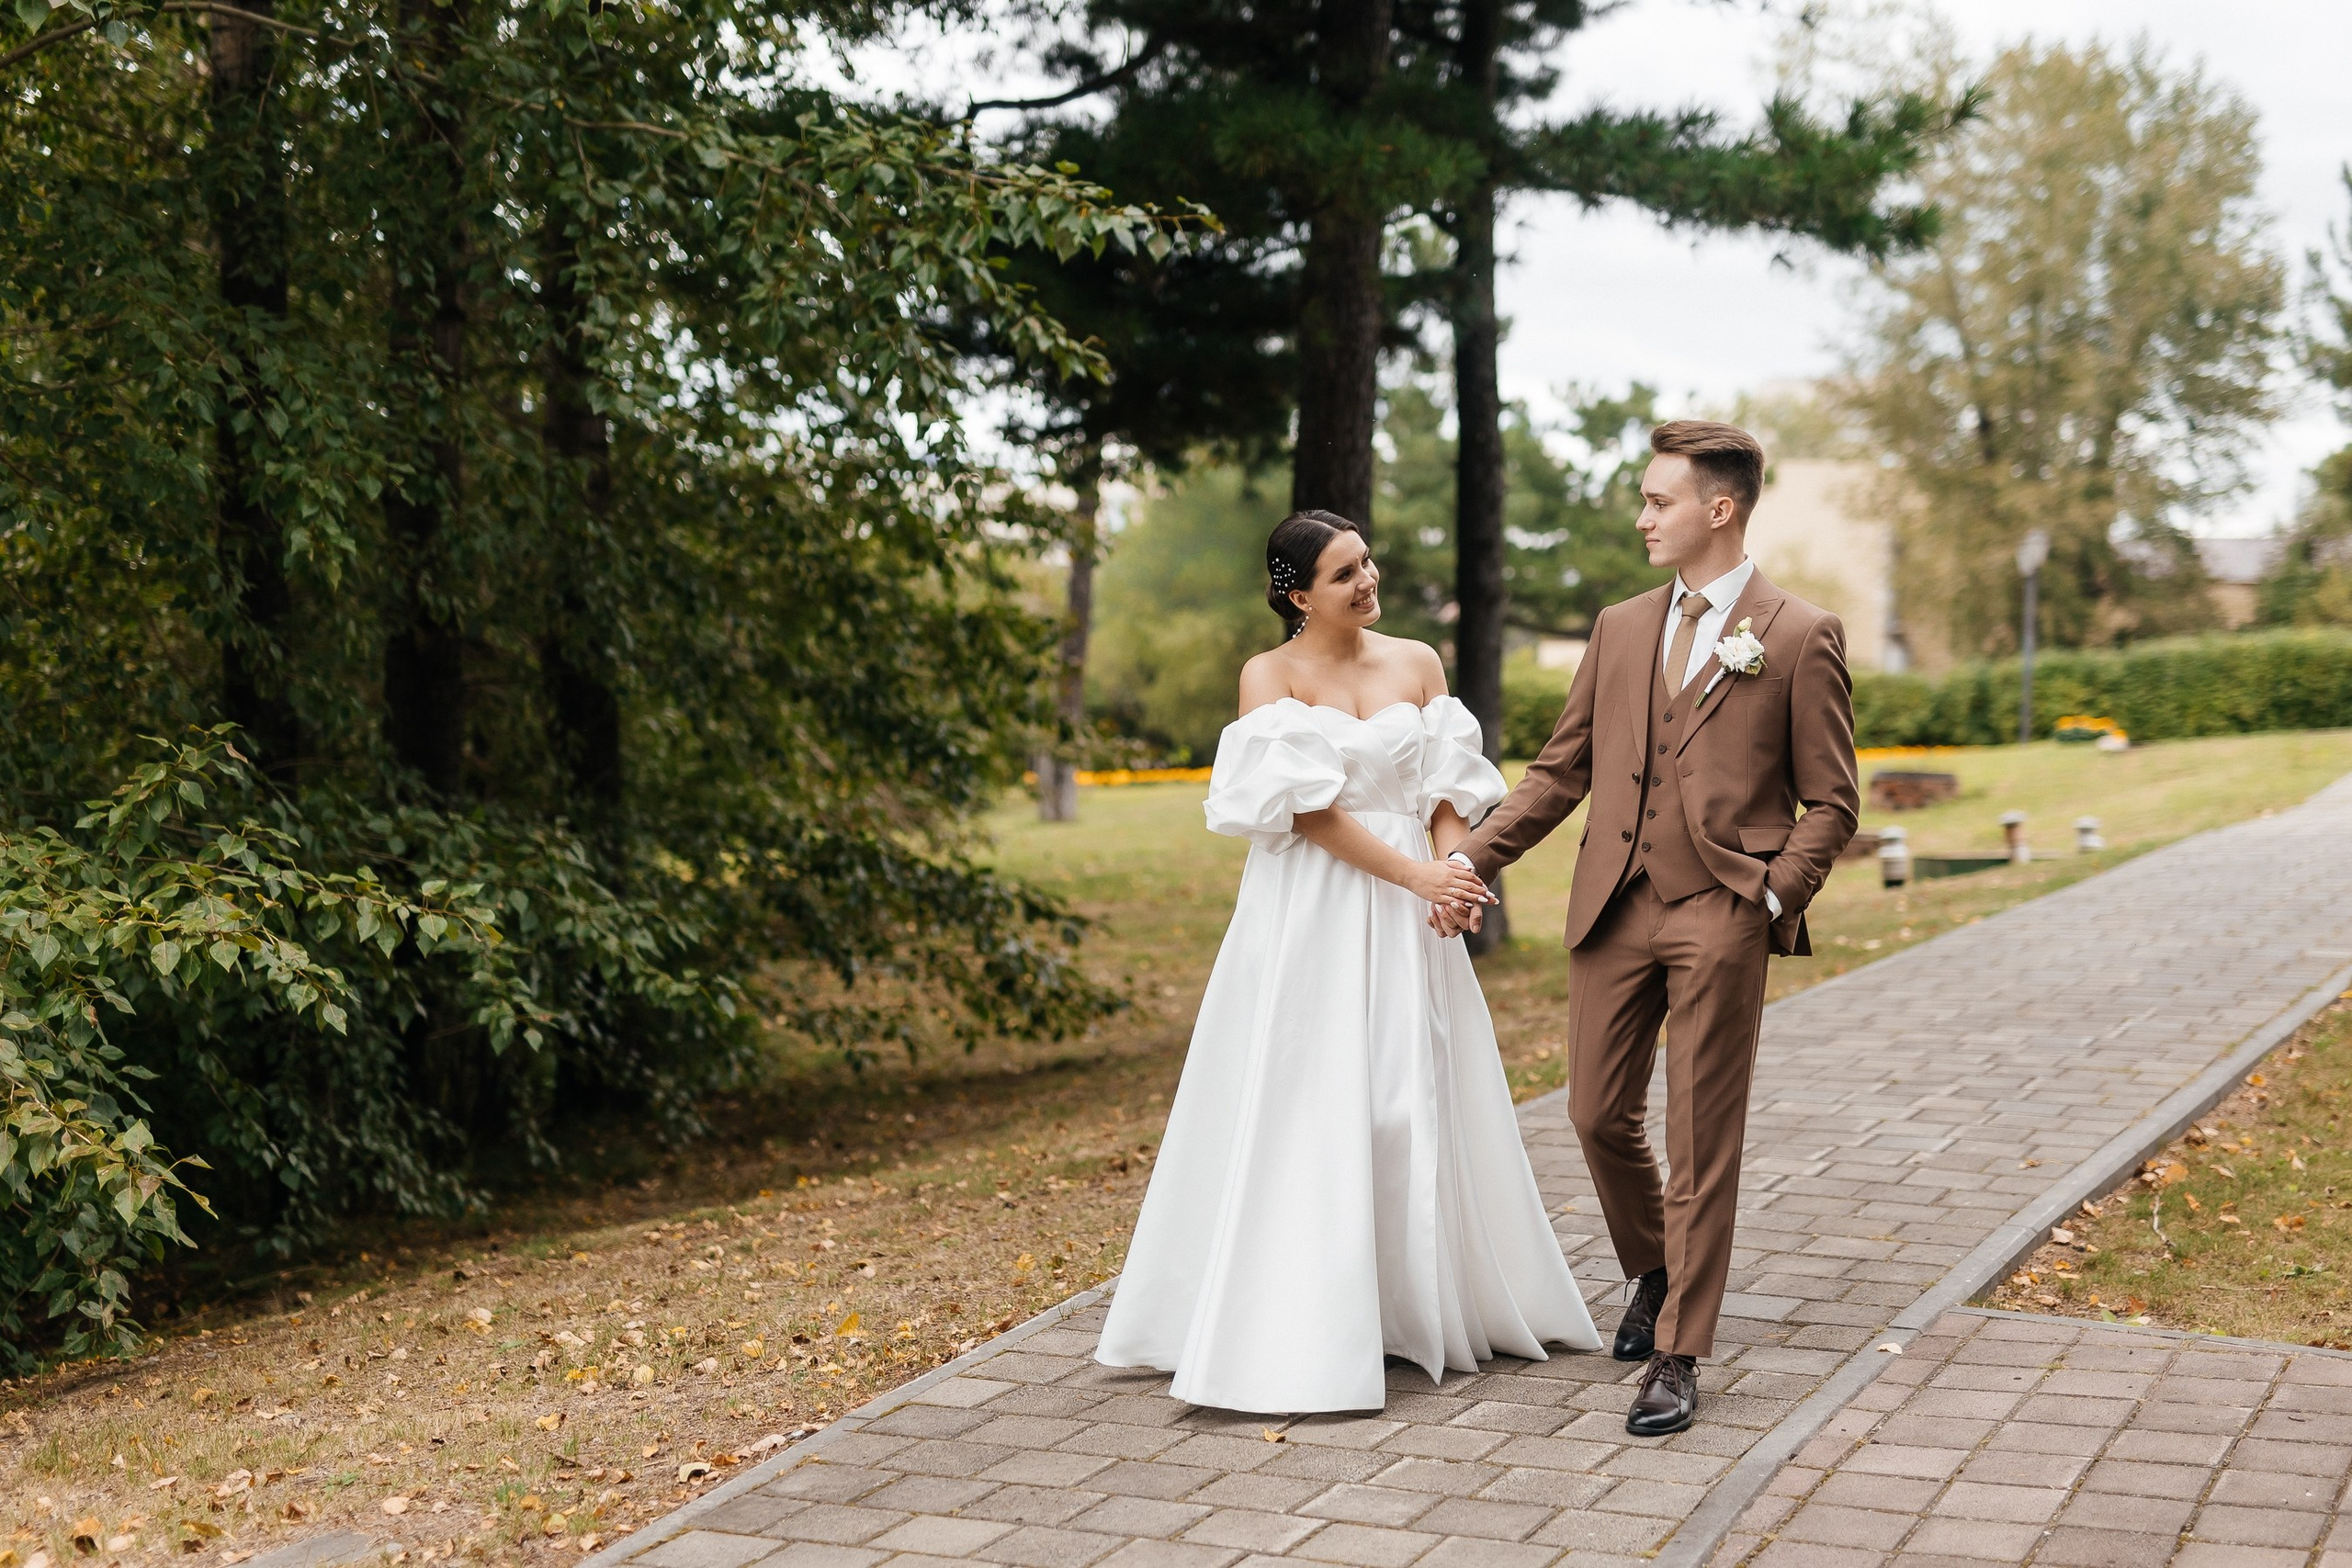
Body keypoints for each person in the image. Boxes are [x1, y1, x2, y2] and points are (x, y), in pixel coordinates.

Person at [1093, 508, 1601, 1413]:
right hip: (1312, 910)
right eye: (1343, 574)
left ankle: (1418, 1306)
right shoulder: (1270, 674)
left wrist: (1453, 871)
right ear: (1296, 594)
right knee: (1314, 1099)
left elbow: (1445, 787)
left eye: (1367, 563)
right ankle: (1305, 1318)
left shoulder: (1415, 662)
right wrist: (1412, 874)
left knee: (1411, 1097)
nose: (1367, 582)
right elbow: (1305, 813)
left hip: (1416, 909)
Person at [1434, 420, 1859, 1436]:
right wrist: (1470, 858)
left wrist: (1766, 896)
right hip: (1615, 903)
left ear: (1718, 509)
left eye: (1656, 500)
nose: (1641, 518)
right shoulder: (1620, 627)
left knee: (1701, 1133)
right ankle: (1655, 1267)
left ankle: (1679, 1349)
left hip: (1722, 906)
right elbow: (1560, 768)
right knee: (1591, 1113)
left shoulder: (1797, 634)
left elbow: (1832, 803)